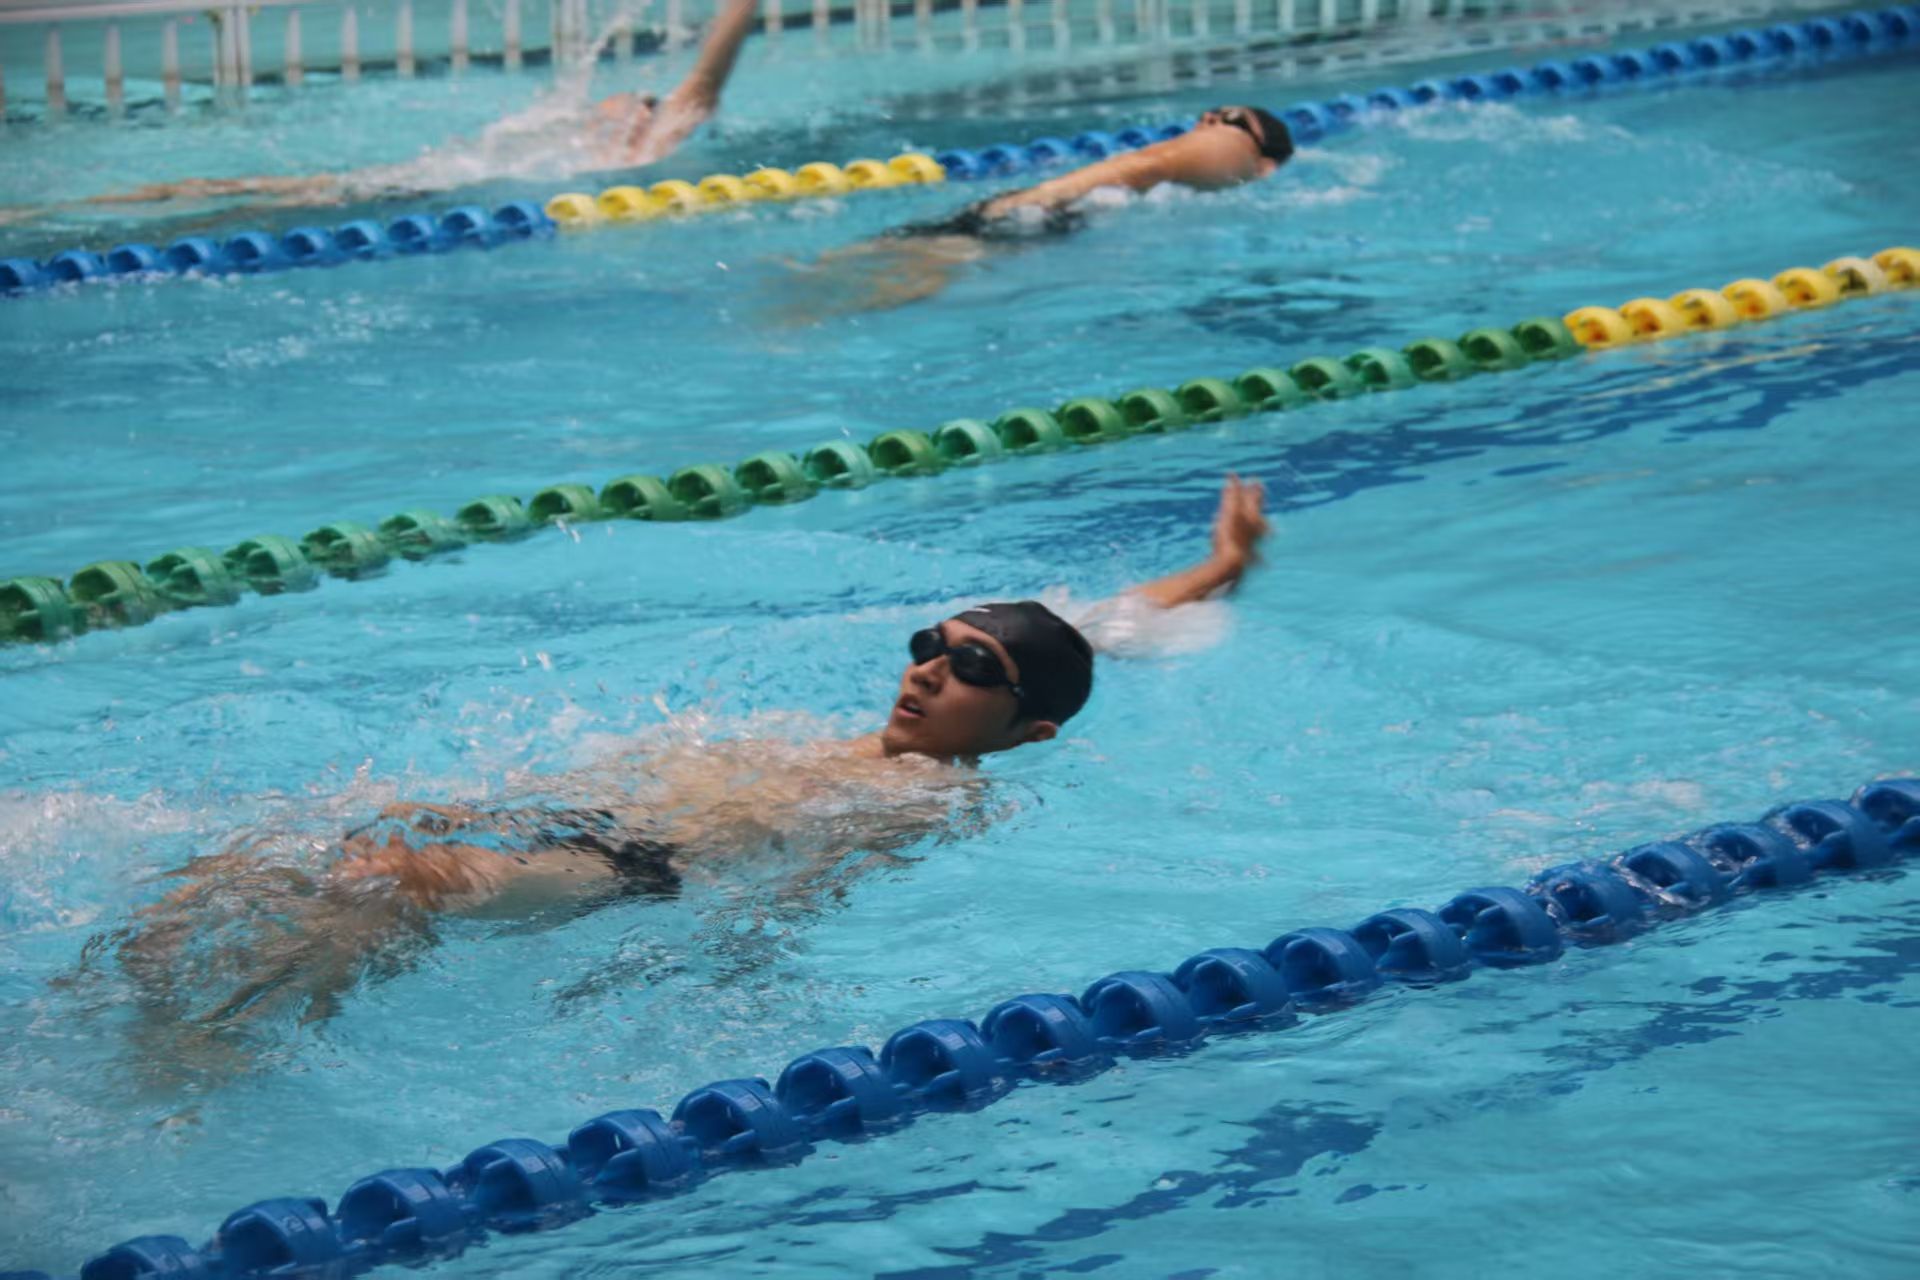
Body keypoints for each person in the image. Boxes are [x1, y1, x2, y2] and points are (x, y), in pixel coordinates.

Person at [89, 477, 1270, 1068]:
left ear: (1024, 730)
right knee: (277, 850)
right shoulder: (908, 736)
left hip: (627, 868)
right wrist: (1217, 568)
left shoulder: (936, 791)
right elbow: (1099, 624)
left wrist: (701, 965)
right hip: (571, 814)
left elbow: (807, 884)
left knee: (383, 882)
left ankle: (217, 1057)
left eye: (970, 666)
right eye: (931, 642)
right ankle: (146, 1004)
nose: (928, 668)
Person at [67, 0, 762, 213]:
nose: (614, 98)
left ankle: (115, 206)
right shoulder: (563, 138)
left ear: (644, 118)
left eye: (636, 99)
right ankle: (107, 202)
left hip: (430, 193)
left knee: (270, 202)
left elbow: (703, 87)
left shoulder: (636, 150)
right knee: (255, 191)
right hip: (418, 183)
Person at [783, 105, 1295, 316]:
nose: (1210, 122)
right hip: (1032, 217)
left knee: (829, 280)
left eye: (1229, 118)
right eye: (1209, 116)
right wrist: (1045, 198)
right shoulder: (1227, 152)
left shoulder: (1236, 153)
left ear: (1265, 161)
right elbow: (1146, 166)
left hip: (1024, 213)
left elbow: (1146, 166)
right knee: (839, 300)